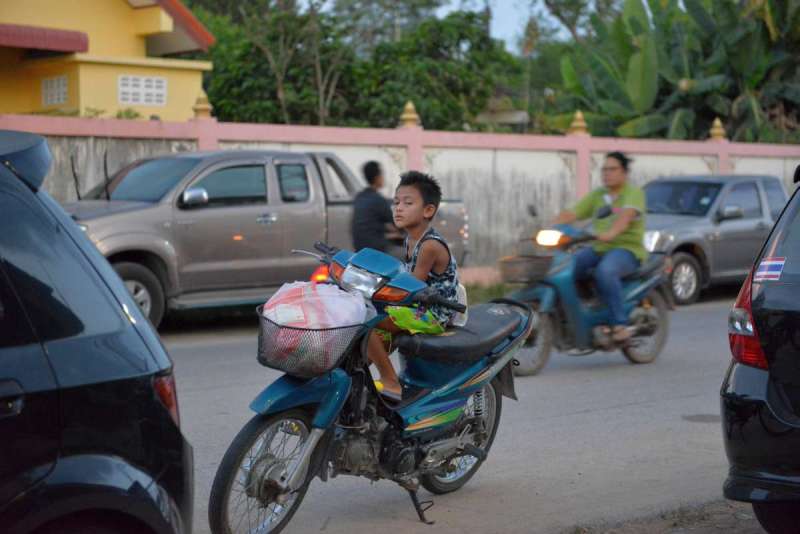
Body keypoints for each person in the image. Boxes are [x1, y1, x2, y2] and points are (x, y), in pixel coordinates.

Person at [368, 171, 459, 398]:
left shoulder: (429, 245)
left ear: (428, 210)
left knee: (368, 327)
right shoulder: (410, 239)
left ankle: (391, 381)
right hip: (418, 307)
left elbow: (412, 285)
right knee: (368, 335)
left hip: (436, 312)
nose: (398, 208)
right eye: (396, 202)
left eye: (408, 203)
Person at [553, 151, 646, 342]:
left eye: (612, 169)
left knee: (605, 271)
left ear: (624, 172)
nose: (607, 173)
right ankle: (585, 308)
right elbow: (573, 213)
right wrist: (552, 226)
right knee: (568, 267)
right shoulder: (598, 195)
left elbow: (626, 216)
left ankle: (620, 323)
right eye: (604, 170)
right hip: (599, 247)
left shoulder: (633, 193)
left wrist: (611, 233)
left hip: (627, 249)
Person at [352, 161, 394, 252]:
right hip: (375, 249)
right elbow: (396, 221)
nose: (383, 178)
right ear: (377, 178)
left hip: (359, 247)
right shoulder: (378, 200)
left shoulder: (359, 197)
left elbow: (369, 223)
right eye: (382, 175)